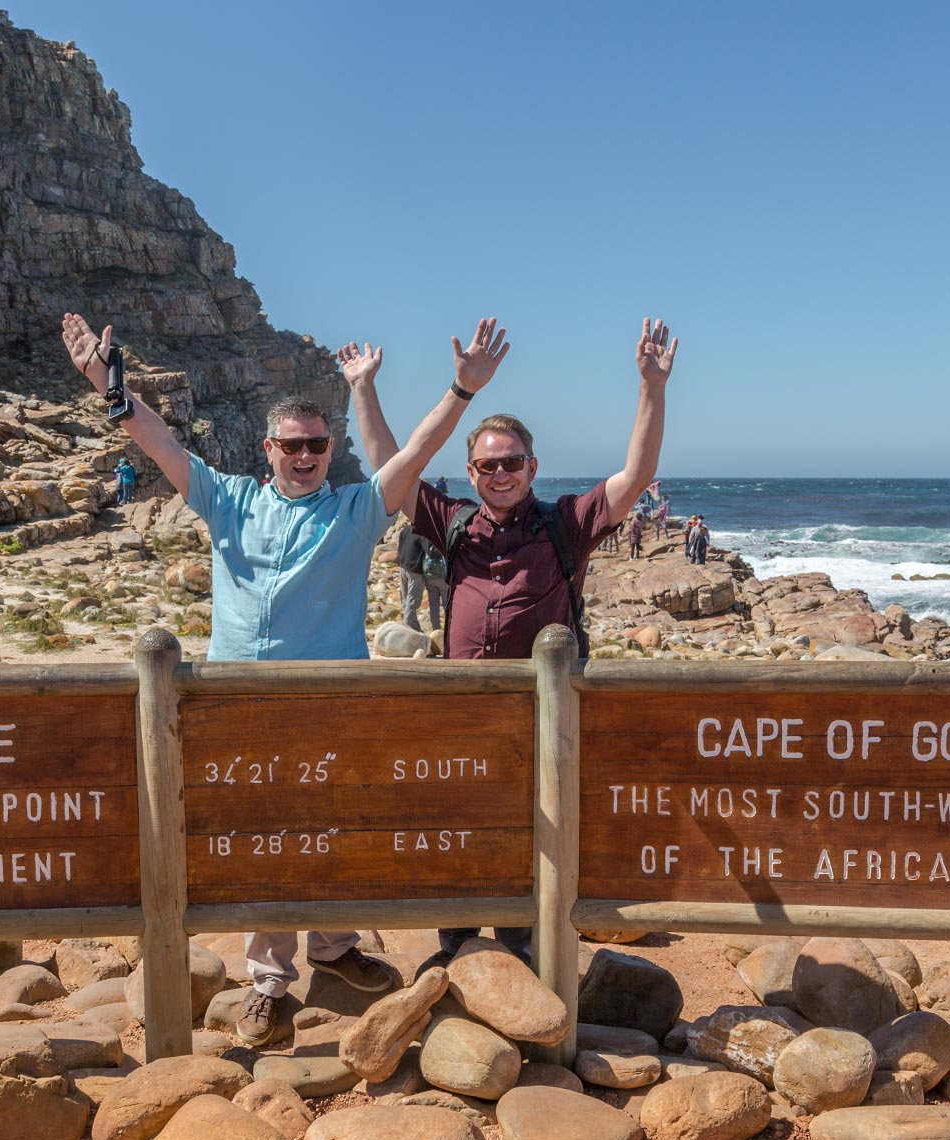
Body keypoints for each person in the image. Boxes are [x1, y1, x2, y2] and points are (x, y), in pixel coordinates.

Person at [65, 310, 512, 1044]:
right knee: (264, 839)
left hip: (331, 707)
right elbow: (161, 441)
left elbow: (420, 451)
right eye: (293, 445)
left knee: (330, 832)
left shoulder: (356, 509)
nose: (306, 455)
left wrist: (461, 390)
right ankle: (271, 985)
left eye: (317, 445)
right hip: (237, 707)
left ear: (329, 449)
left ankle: (335, 950)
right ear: (269, 449)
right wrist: (104, 380)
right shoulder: (228, 499)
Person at [352, 318, 678, 969]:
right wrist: (363, 390)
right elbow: (395, 466)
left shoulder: (566, 523)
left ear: (533, 467)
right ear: (470, 472)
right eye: (488, 464)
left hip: (542, 719)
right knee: (461, 827)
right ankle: (460, 948)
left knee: (538, 833)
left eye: (512, 463)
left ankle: (525, 952)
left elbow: (636, 475)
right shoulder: (451, 521)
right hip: (461, 716)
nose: (500, 474)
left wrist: (651, 387)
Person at [395, 521, 447, 632]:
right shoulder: (421, 533)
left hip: (402, 566)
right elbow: (431, 552)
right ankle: (408, 627)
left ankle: (414, 626)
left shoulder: (405, 529)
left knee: (405, 598)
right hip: (415, 570)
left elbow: (399, 546)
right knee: (413, 599)